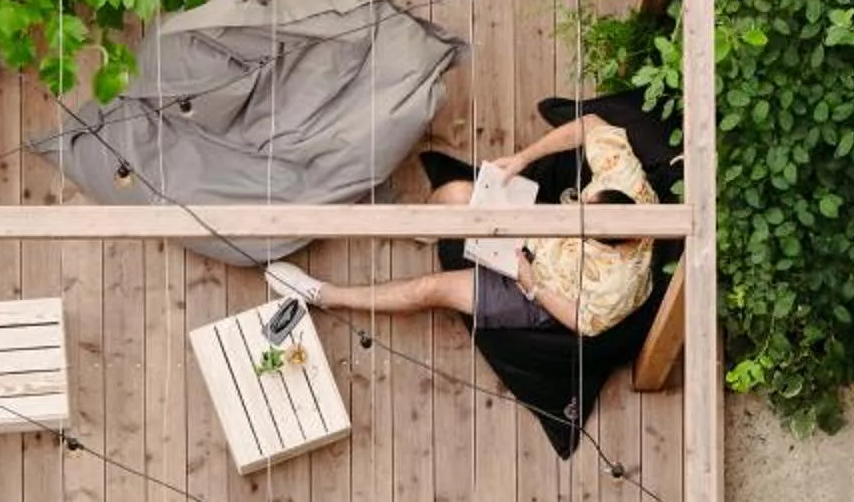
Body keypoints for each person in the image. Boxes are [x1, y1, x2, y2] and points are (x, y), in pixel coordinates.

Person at [272, 111, 659, 342]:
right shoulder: (626, 183)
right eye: (585, 202)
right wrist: (524, 158)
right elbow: (590, 124)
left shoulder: (619, 284)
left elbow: (583, 323)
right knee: (456, 192)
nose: (582, 202)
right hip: (538, 225)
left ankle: (327, 295)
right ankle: (426, 229)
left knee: (430, 289)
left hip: (539, 287)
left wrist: (532, 283)